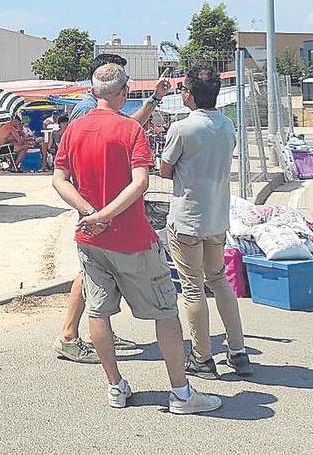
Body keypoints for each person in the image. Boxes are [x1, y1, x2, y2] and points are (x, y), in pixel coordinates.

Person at [53, 63, 220, 413]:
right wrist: (105, 215)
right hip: (130, 238)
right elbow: (140, 182)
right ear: (123, 92)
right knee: (164, 312)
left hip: (89, 239)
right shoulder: (130, 131)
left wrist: (89, 213)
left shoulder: (74, 129)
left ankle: (115, 386)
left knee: (98, 313)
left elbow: (59, 180)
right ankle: (182, 394)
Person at [55, 55, 172, 363]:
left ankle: (101, 342)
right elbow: (122, 133)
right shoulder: (85, 113)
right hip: (105, 218)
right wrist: (96, 213)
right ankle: (70, 335)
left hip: (94, 218)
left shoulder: (95, 115)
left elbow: (123, 130)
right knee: (91, 283)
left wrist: (155, 99)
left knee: (97, 291)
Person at [158, 67, 251, 378]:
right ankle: (237, 350)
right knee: (219, 279)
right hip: (216, 218)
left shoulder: (182, 129)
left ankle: (202, 356)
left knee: (192, 289)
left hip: (187, 219)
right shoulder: (227, 126)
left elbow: (165, 170)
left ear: (190, 95)